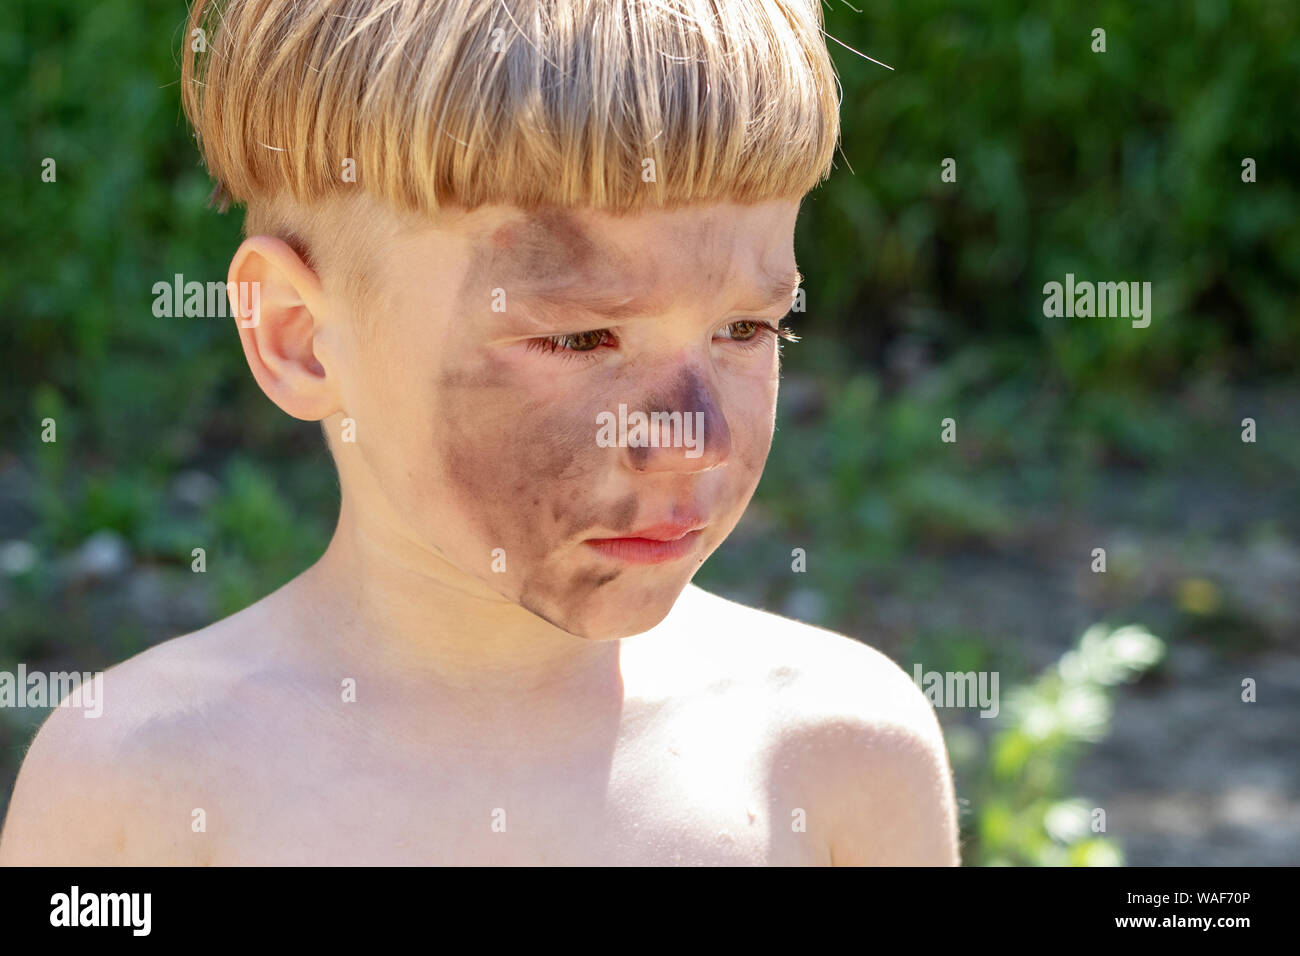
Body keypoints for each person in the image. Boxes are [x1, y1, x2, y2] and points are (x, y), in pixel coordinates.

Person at [0, 0, 959, 865]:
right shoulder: (136, 786)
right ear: (300, 338)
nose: (691, 438)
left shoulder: (837, 754)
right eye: (579, 337)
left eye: (746, 329)